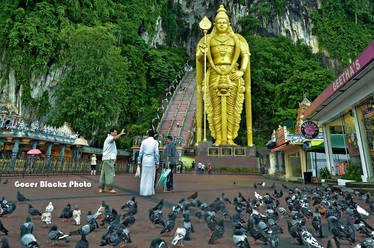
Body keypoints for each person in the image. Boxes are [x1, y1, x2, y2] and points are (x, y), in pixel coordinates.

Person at [195, 5, 251, 146]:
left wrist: (241, 71)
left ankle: (230, 137)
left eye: (224, 22)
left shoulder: (236, 40)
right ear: (215, 24)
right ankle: (218, 137)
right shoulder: (208, 40)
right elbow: (200, 59)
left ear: (228, 24)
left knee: (232, 108)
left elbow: (245, 55)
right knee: (215, 108)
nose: (222, 24)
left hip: (232, 73)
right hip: (214, 74)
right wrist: (202, 52)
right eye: (219, 22)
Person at [99, 128, 125, 193]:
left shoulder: (108, 139)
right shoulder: (109, 138)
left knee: (103, 174)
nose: (116, 134)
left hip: (106, 159)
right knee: (110, 173)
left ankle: (101, 188)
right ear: (111, 133)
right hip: (109, 159)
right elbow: (115, 138)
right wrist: (121, 134)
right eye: (115, 132)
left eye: (116, 132)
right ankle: (110, 188)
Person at [138, 130, 159, 196]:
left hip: (144, 160)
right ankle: (150, 191)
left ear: (148, 134)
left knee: (144, 176)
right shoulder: (155, 142)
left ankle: (142, 191)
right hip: (151, 160)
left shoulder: (144, 142)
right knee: (151, 176)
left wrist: (139, 161)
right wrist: (157, 162)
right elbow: (156, 153)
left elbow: (140, 153)